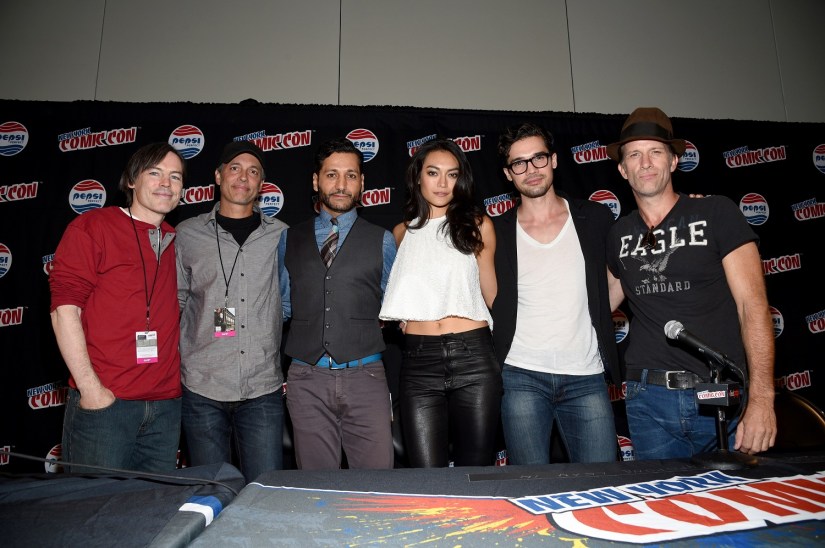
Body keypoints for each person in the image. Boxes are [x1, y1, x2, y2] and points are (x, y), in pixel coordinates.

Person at [605, 107, 777, 459]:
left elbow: (753, 306)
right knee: (663, 511)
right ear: (622, 169)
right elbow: (597, 305)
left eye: (656, 152)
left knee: (736, 507)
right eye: (634, 154)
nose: (646, 162)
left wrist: (762, 399)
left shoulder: (716, 213)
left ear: (673, 161)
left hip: (719, 397)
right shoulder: (618, 233)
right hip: (648, 401)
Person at [50, 142, 185, 472]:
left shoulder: (176, 241)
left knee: (154, 516)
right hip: (106, 404)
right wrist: (91, 390)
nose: (165, 183)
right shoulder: (93, 227)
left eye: (175, 176)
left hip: (165, 407)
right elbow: (64, 310)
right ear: (131, 181)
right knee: (94, 512)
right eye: (155, 173)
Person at [490, 123, 620, 465]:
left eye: (538, 158)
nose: (531, 170)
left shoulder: (594, 218)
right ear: (508, 173)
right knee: (528, 491)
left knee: (601, 487)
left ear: (555, 160)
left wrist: (595, 317)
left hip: (586, 374)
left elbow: (621, 279)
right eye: (519, 163)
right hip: (520, 375)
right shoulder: (497, 232)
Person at [379, 137, 501, 468]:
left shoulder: (478, 225)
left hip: (474, 356)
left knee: (474, 473)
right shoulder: (401, 233)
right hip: (419, 363)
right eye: (433, 173)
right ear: (418, 176)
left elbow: (492, 296)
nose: (443, 183)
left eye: (452, 174)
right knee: (426, 477)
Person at [278, 138, 396, 470]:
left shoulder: (382, 240)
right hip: (306, 379)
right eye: (331, 175)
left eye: (351, 175)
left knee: (377, 489)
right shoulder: (289, 239)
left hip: (365, 377)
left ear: (362, 183)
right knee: (317, 491)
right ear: (316, 181)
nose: (341, 184)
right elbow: (283, 306)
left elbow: (393, 306)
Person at [176, 140, 288, 483]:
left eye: (253, 171)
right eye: (235, 168)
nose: (244, 177)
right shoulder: (187, 233)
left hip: (262, 387)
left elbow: (286, 301)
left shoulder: (281, 235)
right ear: (218, 175)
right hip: (201, 385)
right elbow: (178, 302)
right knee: (210, 493)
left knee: (265, 493)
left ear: (261, 184)